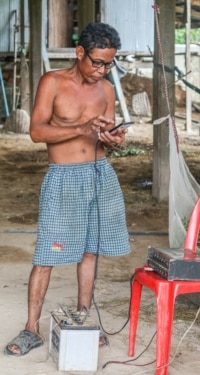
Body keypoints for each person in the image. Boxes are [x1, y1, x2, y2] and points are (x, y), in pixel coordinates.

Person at [4, 22, 131, 356]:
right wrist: (81, 127)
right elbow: (36, 132)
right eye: (97, 62)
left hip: (100, 174)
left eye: (109, 63)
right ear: (79, 53)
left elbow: (107, 134)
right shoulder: (53, 82)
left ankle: (82, 316)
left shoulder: (105, 89)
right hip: (63, 177)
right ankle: (31, 329)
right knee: (48, 253)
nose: (103, 70)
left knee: (90, 251)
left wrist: (112, 138)